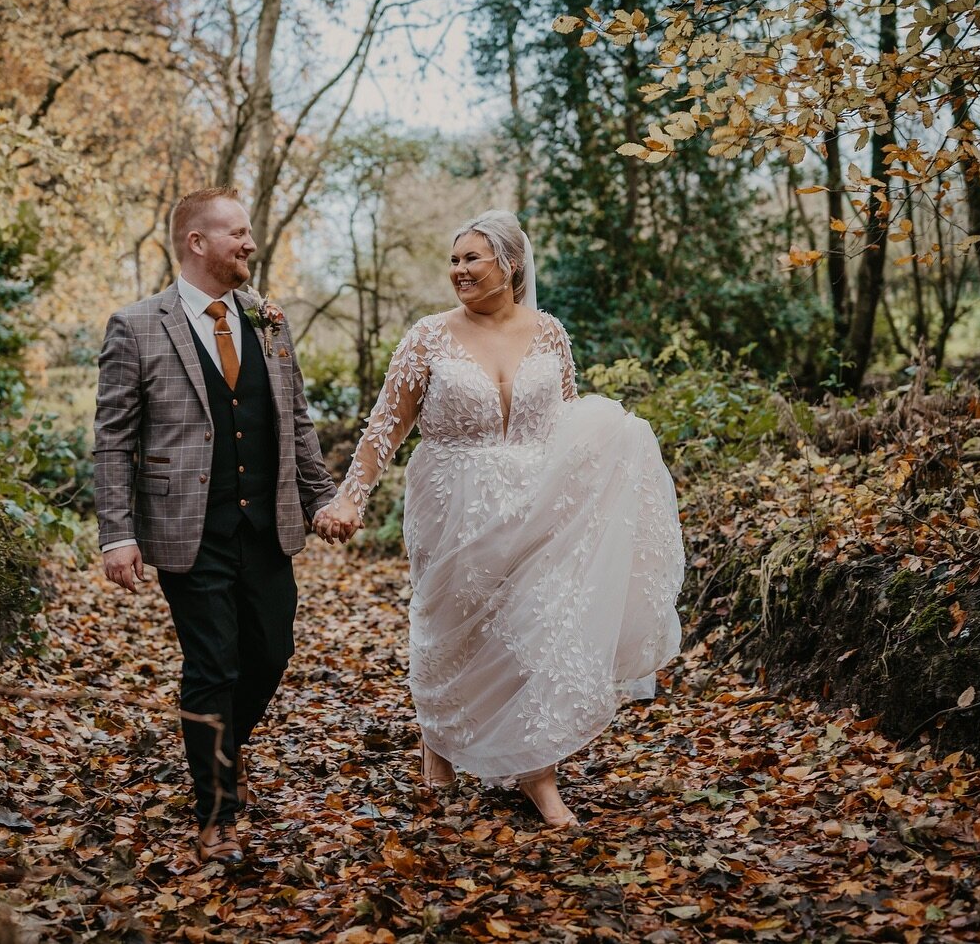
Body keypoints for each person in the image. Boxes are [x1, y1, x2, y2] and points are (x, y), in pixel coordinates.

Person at [314, 210, 684, 828]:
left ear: (509, 266)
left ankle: (536, 773)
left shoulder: (550, 333)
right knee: (451, 627)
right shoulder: (428, 336)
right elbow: (386, 426)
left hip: (537, 499)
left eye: (471, 259)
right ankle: (438, 747)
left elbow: (565, 422)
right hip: (450, 498)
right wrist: (352, 495)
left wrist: (611, 452)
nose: (457, 270)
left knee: (531, 625)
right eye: (454, 260)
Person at [94, 187, 342, 864]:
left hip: (266, 527)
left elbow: (297, 419)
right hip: (186, 530)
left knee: (271, 652)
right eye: (236, 232)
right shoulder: (137, 325)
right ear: (197, 242)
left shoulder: (268, 321)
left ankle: (219, 747)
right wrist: (117, 533)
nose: (250, 242)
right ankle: (216, 809)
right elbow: (113, 438)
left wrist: (323, 498)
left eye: (250, 230)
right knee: (213, 663)